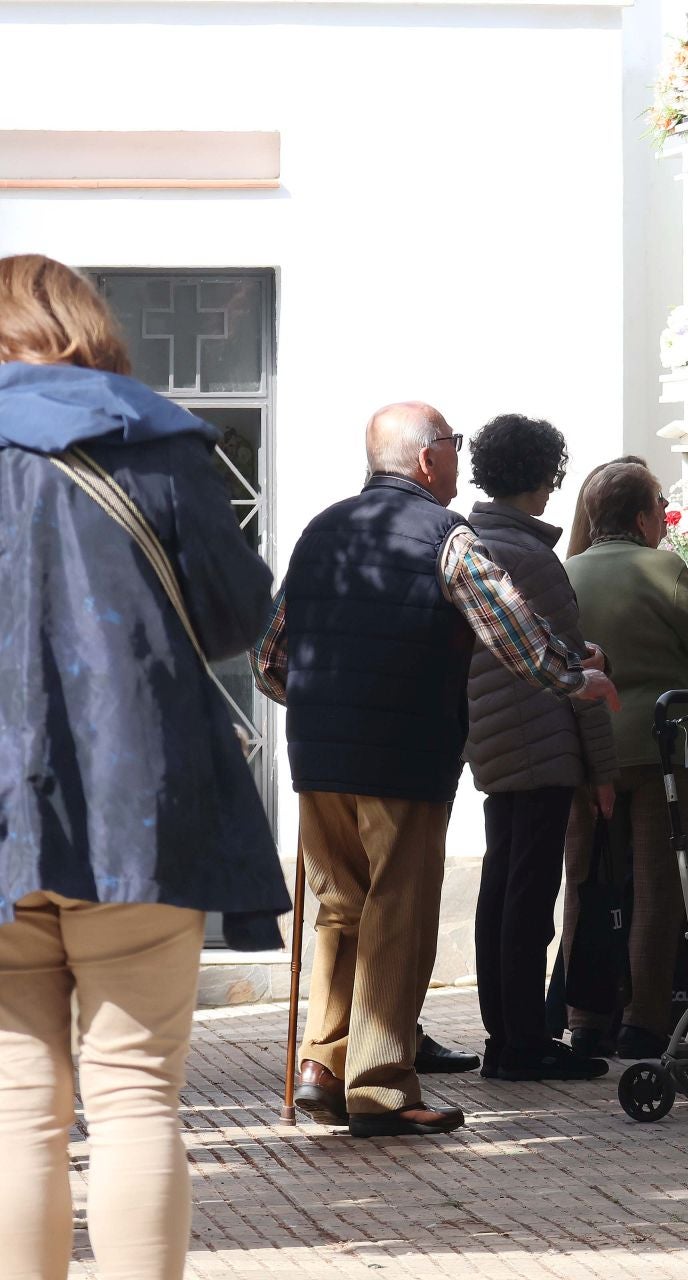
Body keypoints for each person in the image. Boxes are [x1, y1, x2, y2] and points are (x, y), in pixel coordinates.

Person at [0, 254, 291, 1280]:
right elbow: (237, 613)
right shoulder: (153, 437)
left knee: (15, 1101)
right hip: (140, 806)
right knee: (132, 1096)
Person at [250, 401, 618, 1138]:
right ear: (426, 461)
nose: (457, 454)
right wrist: (576, 676)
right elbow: (507, 624)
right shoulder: (445, 536)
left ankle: (323, 1063)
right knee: (398, 912)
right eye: (451, 443)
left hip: (319, 755)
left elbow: (269, 662)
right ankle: (381, 1085)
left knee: (340, 908)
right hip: (404, 755)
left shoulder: (323, 530)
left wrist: (328, 705)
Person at [463, 414, 617, 1081]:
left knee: (502, 889)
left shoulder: (470, 543)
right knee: (529, 902)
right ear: (544, 479)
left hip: (492, 743)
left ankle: (506, 1033)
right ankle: (521, 1042)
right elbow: (572, 673)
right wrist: (603, 770)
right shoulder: (532, 557)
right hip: (541, 743)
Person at [559, 459, 688, 1060]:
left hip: (587, 750)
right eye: (660, 510)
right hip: (660, 748)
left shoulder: (568, 572)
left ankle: (584, 1015)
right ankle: (643, 1018)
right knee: (657, 886)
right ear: (642, 518)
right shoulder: (664, 567)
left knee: (585, 880)